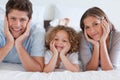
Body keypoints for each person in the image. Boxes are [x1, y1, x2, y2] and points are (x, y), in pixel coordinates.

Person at [0, 0, 45, 72]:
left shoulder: (37, 32)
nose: (17, 25)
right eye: (13, 18)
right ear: (6, 18)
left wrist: (19, 45)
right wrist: (9, 44)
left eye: (22, 20)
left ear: (29, 21)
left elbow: (38, 69)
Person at [79, 7, 120, 71]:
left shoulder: (117, 37)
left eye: (95, 24)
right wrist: (96, 45)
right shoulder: (84, 37)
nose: (92, 31)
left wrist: (102, 41)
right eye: (87, 27)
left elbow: (110, 71)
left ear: (105, 22)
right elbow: (89, 70)